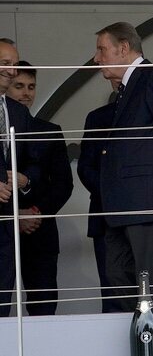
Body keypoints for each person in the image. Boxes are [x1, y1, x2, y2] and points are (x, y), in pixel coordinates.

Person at [93, 21, 153, 312]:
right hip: (120, 208)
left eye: (101, 50)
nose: (97, 59)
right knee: (118, 280)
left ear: (123, 48)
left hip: (148, 203)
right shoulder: (126, 88)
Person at [7, 62, 74, 315]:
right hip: (4, 231)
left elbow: (62, 184)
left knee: (44, 309)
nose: (26, 93)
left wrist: (34, 212)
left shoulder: (49, 131)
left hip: (40, 231)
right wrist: (15, 218)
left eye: (31, 87)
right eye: (19, 86)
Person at [0, 40, 40, 317]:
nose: (11, 71)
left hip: (6, 227)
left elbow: (36, 161)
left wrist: (25, 181)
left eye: (14, 64)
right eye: (5, 63)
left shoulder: (18, 113)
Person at [77, 78, 119, 313]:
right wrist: (114, 193)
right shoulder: (98, 118)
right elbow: (85, 168)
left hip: (147, 217)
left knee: (150, 294)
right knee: (112, 294)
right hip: (105, 217)